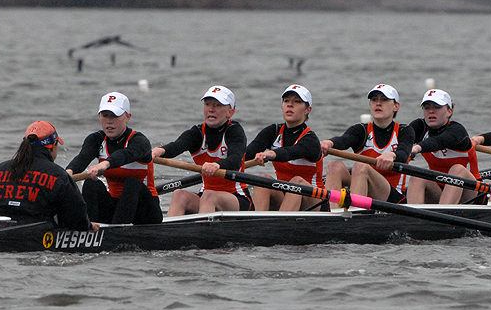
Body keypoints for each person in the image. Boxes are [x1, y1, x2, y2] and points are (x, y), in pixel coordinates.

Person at [151, 85, 253, 216]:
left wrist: (216, 165)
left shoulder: (234, 131)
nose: (211, 109)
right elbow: (177, 146)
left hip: (237, 198)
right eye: (207, 104)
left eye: (217, 105)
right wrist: (158, 151)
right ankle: (168, 234)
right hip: (206, 197)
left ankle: (200, 234)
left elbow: (236, 160)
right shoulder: (197, 132)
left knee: (209, 196)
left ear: (230, 112)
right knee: (179, 194)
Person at [0, 120, 93, 230]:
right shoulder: (59, 176)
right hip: (39, 234)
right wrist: (88, 227)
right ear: (53, 146)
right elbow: (78, 218)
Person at [65, 92, 162, 225]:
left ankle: (117, 232)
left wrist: (104, 164)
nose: (109, 121)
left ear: (127, 117)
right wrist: (67, 174)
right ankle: (90, 229)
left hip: (146, 211)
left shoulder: (139, 141)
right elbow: (82, 158)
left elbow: (125, 155)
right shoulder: (96, 139)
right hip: (116, 207)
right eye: (105, 115)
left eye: (115, 116)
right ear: (99, 116)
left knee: (132, 182)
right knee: (90, 183)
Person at [320, 83, 414, 206]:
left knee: (360, 167)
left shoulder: (404, 131)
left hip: (392, 197)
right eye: (374, 100)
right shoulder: (361, 130)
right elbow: (344, 140)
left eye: (384, 100)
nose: (378, 103)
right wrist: (329, 143)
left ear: (396, 106)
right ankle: (333, 214)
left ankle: (354, 215)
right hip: (363, 189)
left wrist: (391, 155)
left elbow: (403, 153)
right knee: (334, 166)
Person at [245, 84, 324, 211]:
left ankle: (279, 226)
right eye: (286, 101)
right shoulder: (273, 131)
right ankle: (256, 224)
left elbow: (290, 152)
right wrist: (217, 165)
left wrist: (270, 154)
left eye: (297, 102)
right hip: (285, 196)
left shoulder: (310, 139)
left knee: (296, 181)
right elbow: (246, 154)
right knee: (263, 180)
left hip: (314, 201)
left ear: (307, 109)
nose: (290, 105)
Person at [406, 88, 480, 204]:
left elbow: (438, 142)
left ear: (449, 111)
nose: (431, 111)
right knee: (417, 176)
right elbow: (400, 141)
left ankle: (443, 214)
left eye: (437, 107)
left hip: (471, 192)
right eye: (427, 108)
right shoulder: (419, 127)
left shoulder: (457, 131)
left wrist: (416, 148)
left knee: (457, 169)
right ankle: (412, 219)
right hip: (439, 191)